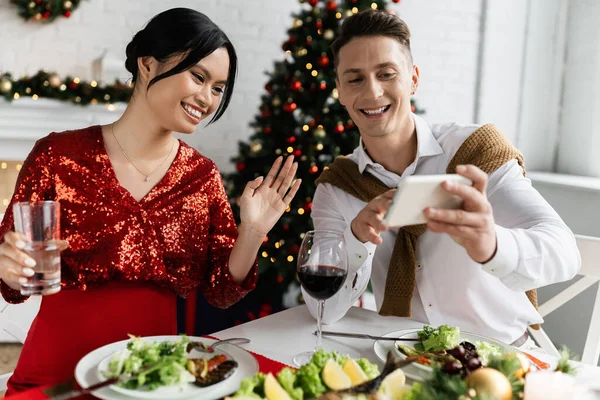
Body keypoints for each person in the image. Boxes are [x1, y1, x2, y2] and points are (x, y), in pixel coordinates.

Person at [0, 8, 301, 394]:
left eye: (218, 88)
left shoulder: (201, 177)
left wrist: (253, 232)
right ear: (147, 64)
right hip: (58, 371)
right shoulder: (57, 155)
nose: (208, 98)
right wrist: (10, 269)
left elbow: (222, 291)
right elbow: (13, 275)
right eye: (199, 76)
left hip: (151, 376)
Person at [302, 9, 580, 348]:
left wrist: (492, 244)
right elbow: (322, 310)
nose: (373, 93)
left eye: (387, 74)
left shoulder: (476, 153)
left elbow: (565, 253)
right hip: (404, 360)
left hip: (503, 355)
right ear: (340, 92)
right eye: (355, 79)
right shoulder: (337, 187)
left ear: (413, 78)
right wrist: (356, 238)